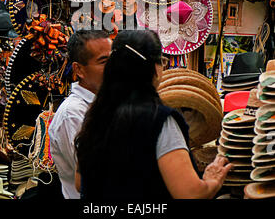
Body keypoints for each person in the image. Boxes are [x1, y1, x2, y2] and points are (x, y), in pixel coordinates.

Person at [75, 29, 233, 200]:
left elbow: (80, 183)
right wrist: (212, 180)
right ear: (155, 68)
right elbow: (190, 194)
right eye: (162, 62)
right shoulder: (159, 120)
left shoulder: (96, 116)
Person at [48, 29, 112, 199]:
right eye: (104, 61)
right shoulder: (74, 114)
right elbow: (94, 178)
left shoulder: (104, 105)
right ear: (79, 69)